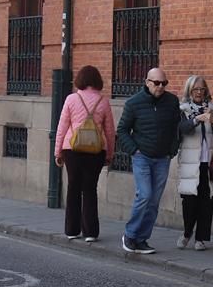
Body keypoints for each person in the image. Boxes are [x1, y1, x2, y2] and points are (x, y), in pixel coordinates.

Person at [114, 66, 181, 255]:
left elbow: (177, 128)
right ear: (147, 82)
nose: (160, 87)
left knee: (154, 200)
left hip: (163, 158)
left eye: (164, 83)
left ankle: (142, 239)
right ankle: (130, 234)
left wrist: (172, 150)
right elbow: (122, 130)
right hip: (142, 156)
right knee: (144, 194)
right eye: (157, 83)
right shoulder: (134, 103)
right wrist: (134, 150)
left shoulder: (172, 101)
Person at [54, 64, 117, 244]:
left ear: (80, 80)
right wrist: (109, 154)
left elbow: (62, 127)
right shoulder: (103, 101)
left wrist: (57, 152)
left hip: (72, 148)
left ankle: (72, 230)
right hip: (96, 150)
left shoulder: (71, 99)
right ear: (97, 80)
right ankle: (90, 232)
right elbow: (110, 131)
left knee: (73, 188)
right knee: (90, 189)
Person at [175, 74, 213, 250]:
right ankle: (187, 232)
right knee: (189, 201)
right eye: (195, 89)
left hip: (210, 162)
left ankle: (201, 238)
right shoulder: (183, 109)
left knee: (207, 201)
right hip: (191, 163)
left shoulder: (212, 108)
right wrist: (196, 119)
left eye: (202, 89)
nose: (199, 92)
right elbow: (181, 129)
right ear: (189, 91)